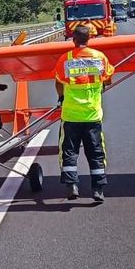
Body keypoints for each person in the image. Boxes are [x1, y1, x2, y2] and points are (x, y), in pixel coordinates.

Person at [54, 24, 115, 204]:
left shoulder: (65, 59)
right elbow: (109, 78)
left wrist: (62, 96)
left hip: (71, 116)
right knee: (96, 152)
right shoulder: (99, 58)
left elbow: (58, 82)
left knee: (69, 152)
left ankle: (72, 185)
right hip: (92, 116)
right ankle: (97, 189)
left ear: (73, 39)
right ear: (89, 39)